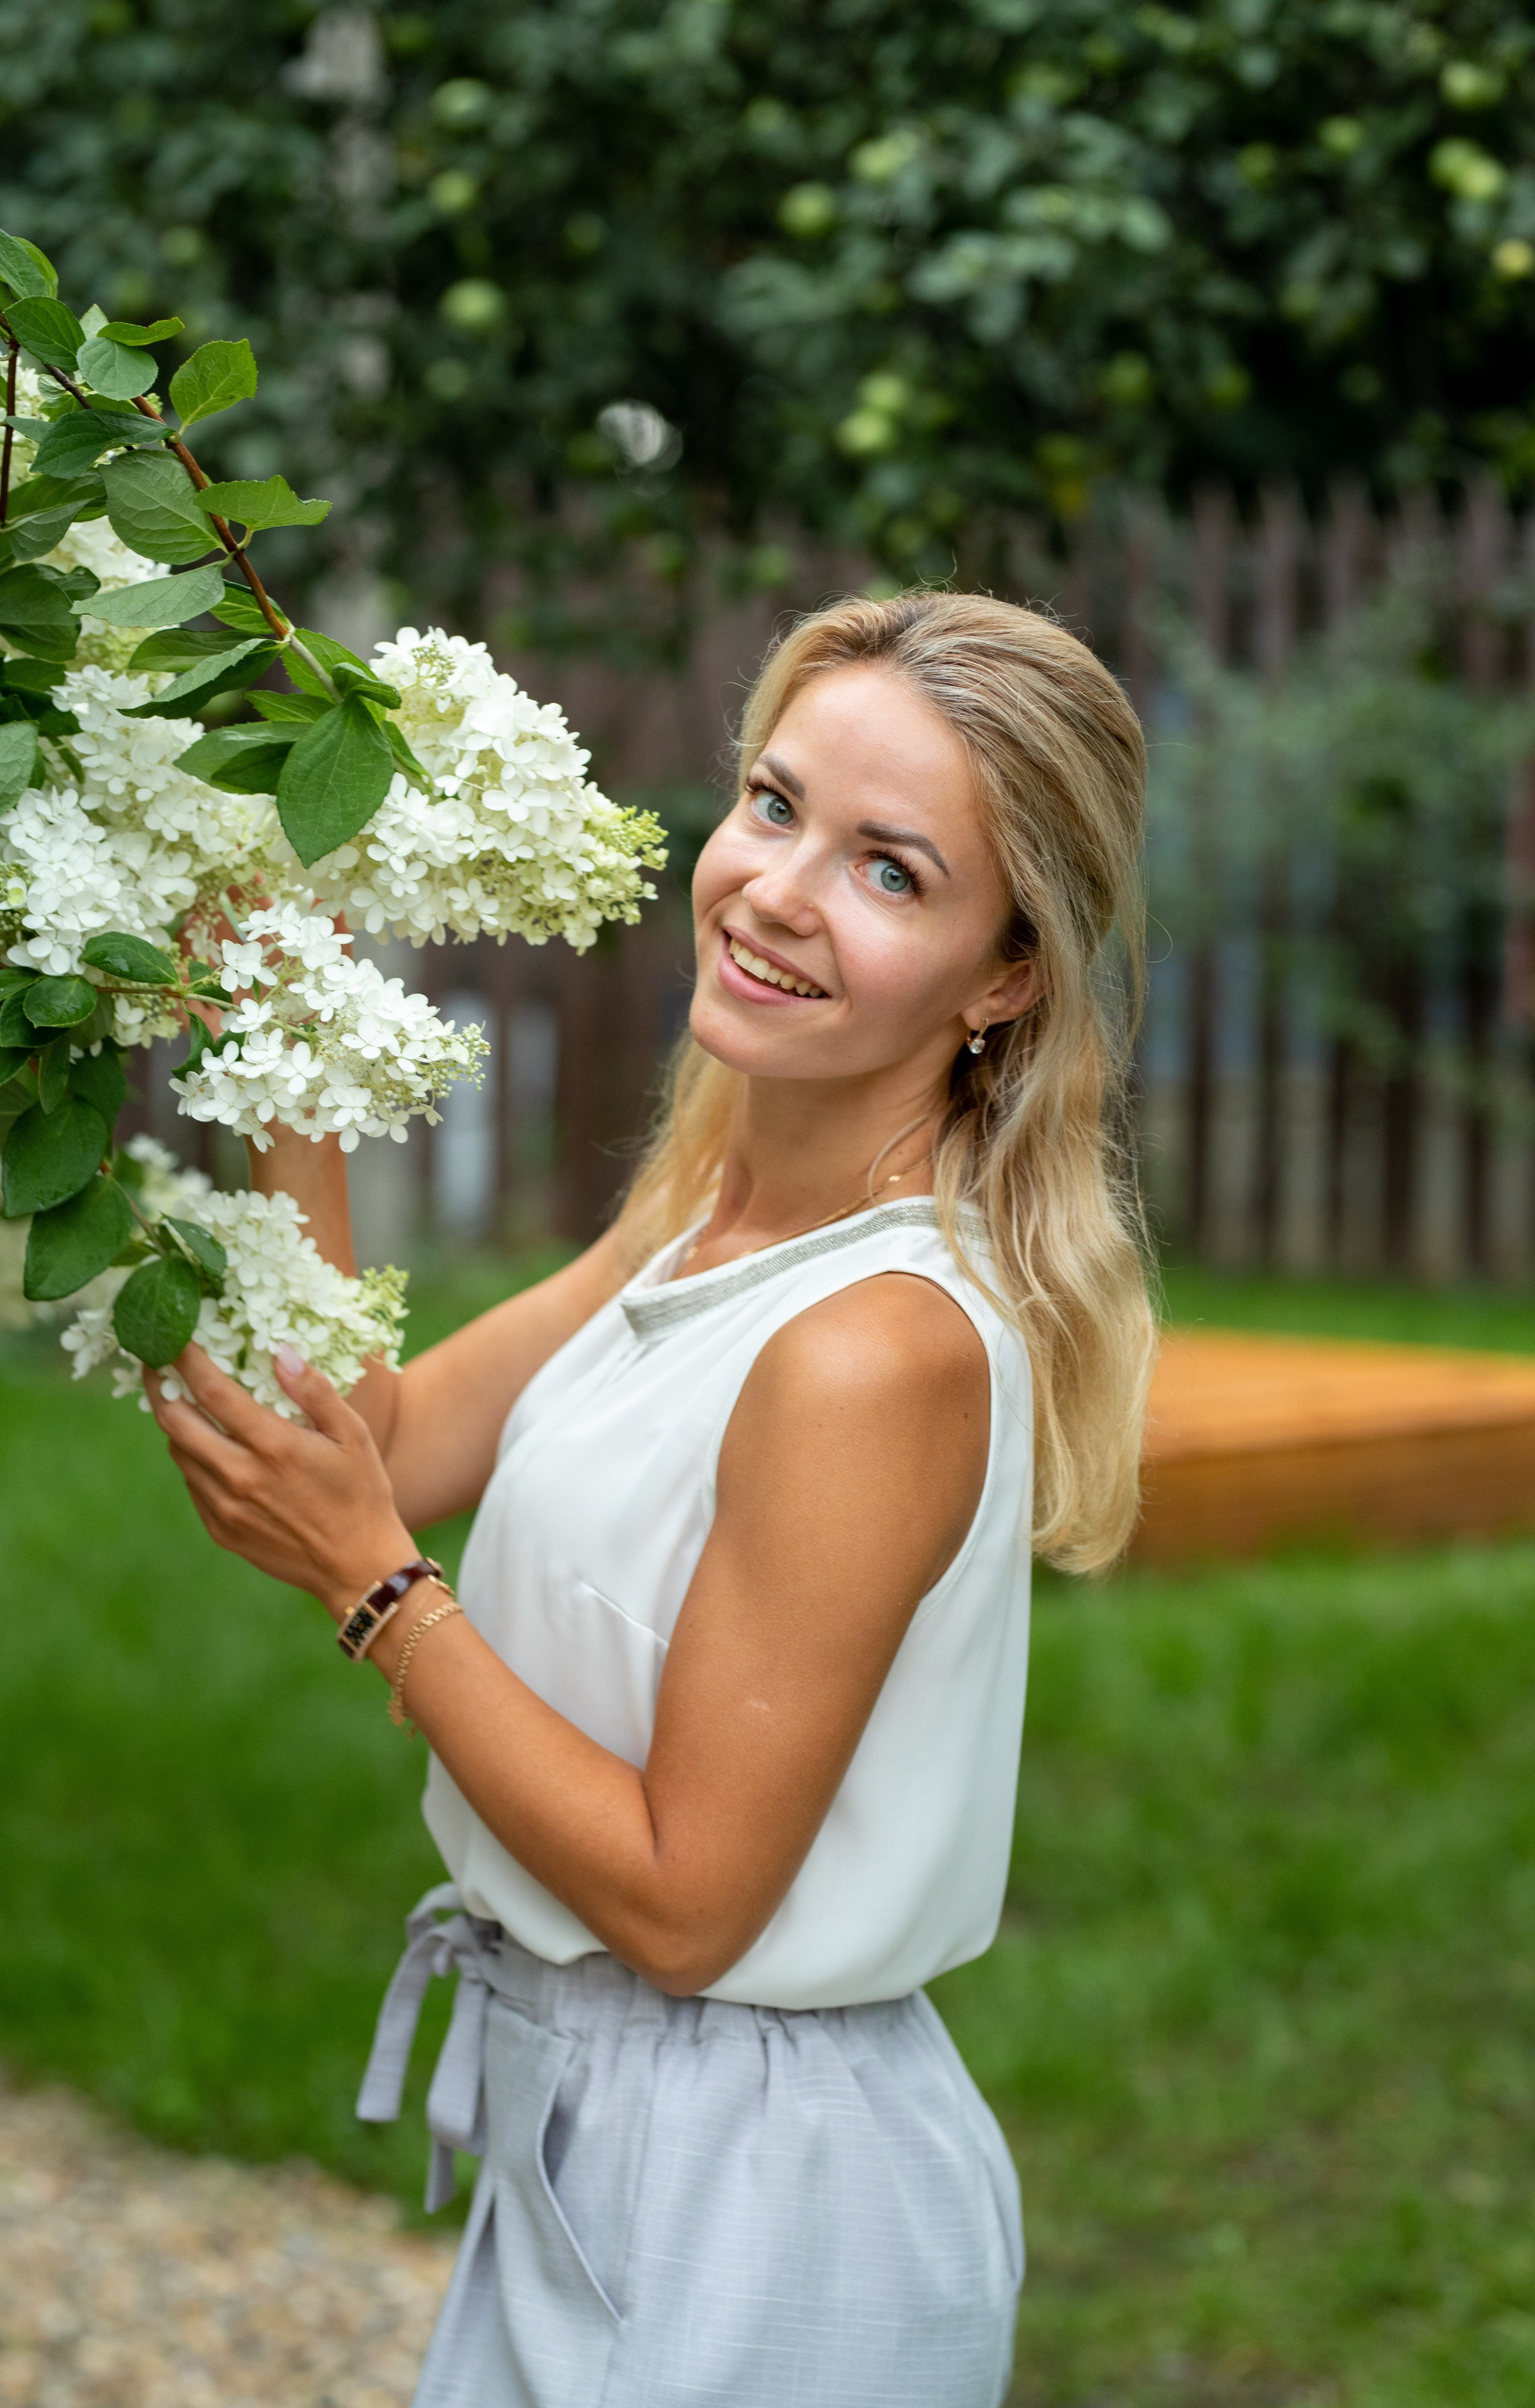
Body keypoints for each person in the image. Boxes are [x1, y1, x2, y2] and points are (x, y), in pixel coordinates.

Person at [145, 589, 1156, 2408]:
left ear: (1007, 974)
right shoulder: (702, 1222)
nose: (775, 890)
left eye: (892, 872)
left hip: (756, 2203)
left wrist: (378, 1591)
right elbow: (368, 1444)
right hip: (599, 2126)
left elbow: (691, 1903)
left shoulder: (873, 1348)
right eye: (774, 806)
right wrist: (289, 1034)